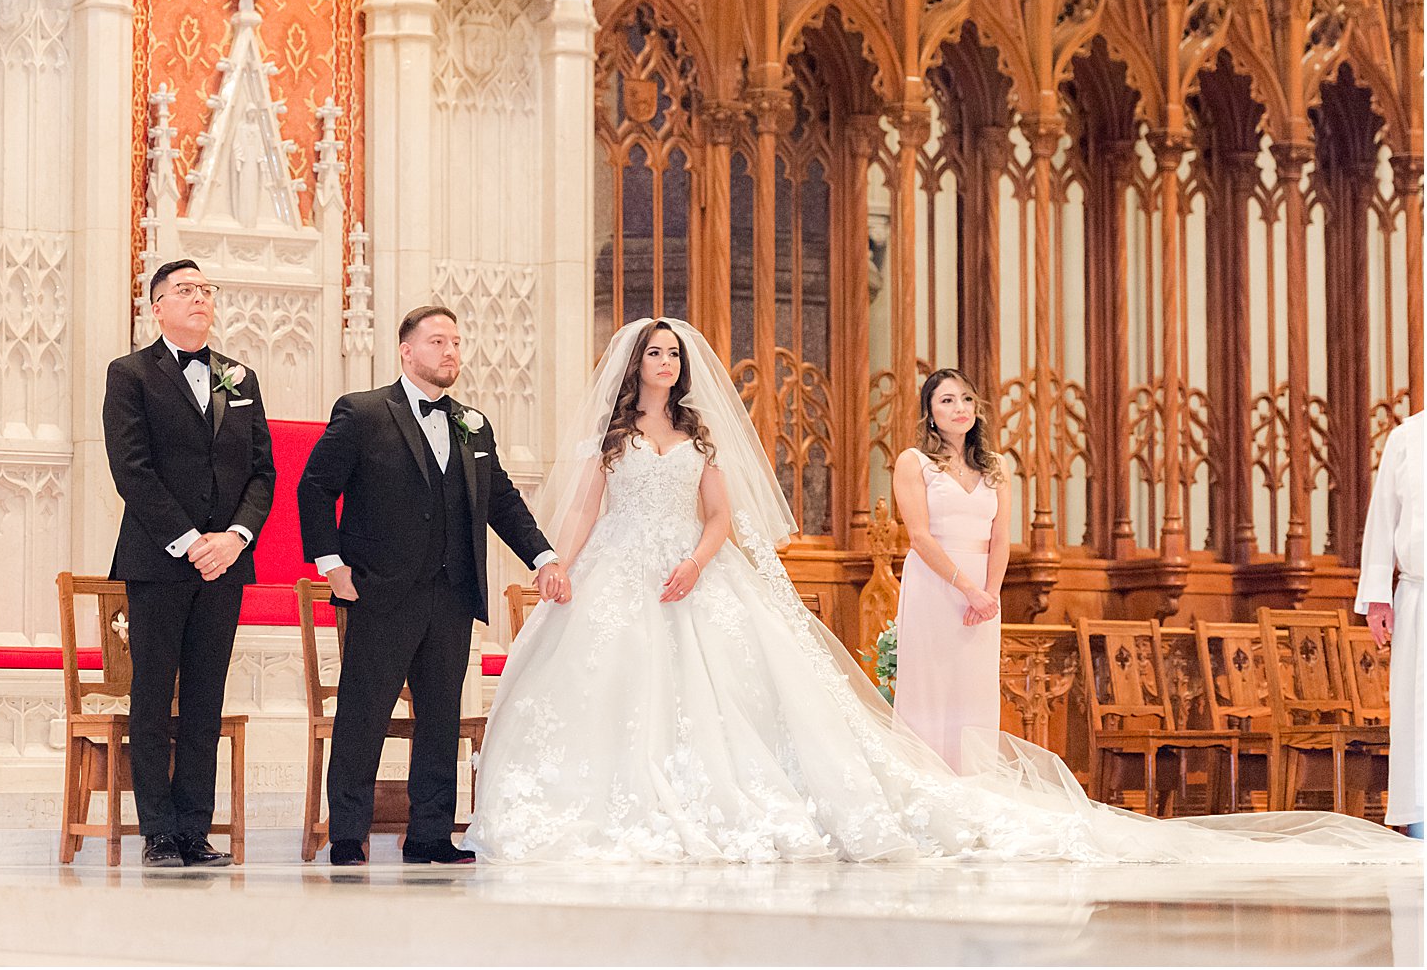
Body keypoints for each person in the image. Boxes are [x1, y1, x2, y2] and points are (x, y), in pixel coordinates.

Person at [464, 317, 1415, 865]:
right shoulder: (613, 443)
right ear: (633, 369)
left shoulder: (702, 444)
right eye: (653, 357)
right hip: (617, 580)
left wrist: (701, 561)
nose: (664, 366)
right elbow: (583, 517)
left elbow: (718, 518)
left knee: (732, 706)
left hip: (687, 579)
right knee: (612, 693)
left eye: (673, 356)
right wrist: (554, 564)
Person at [297, 306, 570, 866]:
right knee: (362, 713)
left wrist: (542, 556)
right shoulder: (363, 412)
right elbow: (315, 488)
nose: (451, 352)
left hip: (452, 592)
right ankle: (348, 834)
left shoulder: (473, 423)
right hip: (379, 590)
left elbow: (502, 501)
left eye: (456, 342)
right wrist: (332, 565)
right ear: (406, 351)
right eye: (438, 341)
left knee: (441, 717)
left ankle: (429, 834)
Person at [102, 259, 275, 868]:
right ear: (157, 307)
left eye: (206, 290)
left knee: (205, 695)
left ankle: (196, 829)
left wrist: (234, 537)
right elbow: (132, 469)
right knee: (153, 694)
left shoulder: (240, 376)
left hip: (226, 564)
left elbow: (262, 471)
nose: (200, 299)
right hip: (159, 561)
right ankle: (158, 831)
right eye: (185, 291)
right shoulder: (129, 374)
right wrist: (188, 540)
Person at [890, 369, 1009, 770]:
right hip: (935, 585)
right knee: (931, 688)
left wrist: (989, 593)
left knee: (973, 689)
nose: (960, 408)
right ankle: (926, 784)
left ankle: (975, 781)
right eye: (947, 400)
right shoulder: (915, 462)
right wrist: (968, 589)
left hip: (984, 596)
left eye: (966, 399)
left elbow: (1001, 538)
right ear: (930, 411)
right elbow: (920, 537)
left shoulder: (996, 466)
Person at [1355, 411, 1423, 839]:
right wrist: (1377, 592)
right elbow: (1382, 518)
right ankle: (1421, 818)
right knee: (1421, 714)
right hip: (1420, 598)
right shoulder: (1407, 437)